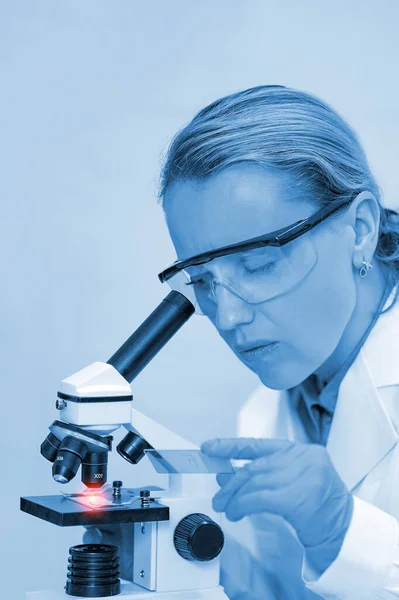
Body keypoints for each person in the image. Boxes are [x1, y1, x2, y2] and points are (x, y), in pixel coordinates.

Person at [155, 85, 399, 599]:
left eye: (260, 264)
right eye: (202, 280)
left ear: (359, 229)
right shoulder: (264, 415)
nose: (228, 315)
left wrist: (342, 531)